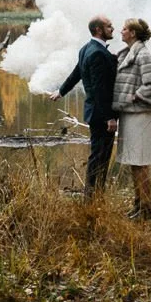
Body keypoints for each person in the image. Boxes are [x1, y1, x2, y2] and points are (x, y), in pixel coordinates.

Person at [50, 15, 119, 199]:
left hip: (95, 113)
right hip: (101, 115)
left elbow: (76, 73)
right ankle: (93, 198)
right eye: (109, 26)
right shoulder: (97, 52)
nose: (112, 28)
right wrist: (110, 117)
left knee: (98, 155)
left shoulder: (86, 49)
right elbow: (99, 89)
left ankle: (94, 196)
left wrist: (61, 91)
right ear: (98, 30)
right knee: (100, 157)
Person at [112, 17, 151, 220]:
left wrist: (135, 96)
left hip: (141, 115)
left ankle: (146, 209)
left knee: (141, 164)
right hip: (132, 114)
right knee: (135, 163)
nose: (121, 31)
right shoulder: (129, 53)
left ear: (132, 33)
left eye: (124, 28)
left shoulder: (143, 54)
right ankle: (139, 204)